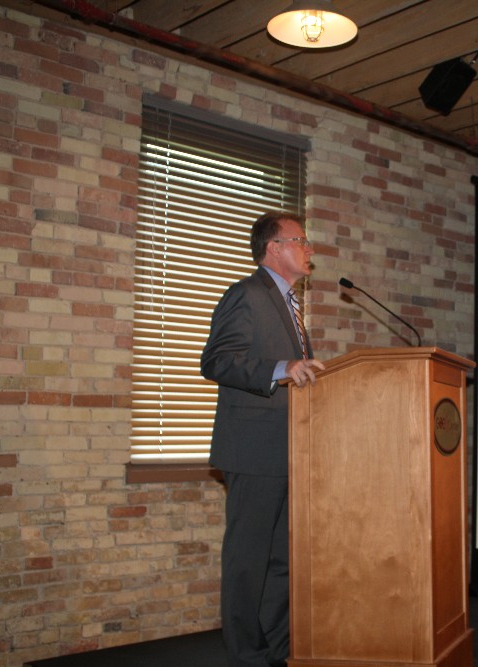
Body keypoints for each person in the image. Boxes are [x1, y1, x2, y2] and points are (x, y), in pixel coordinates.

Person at [201, 211, 325, 667]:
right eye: (301, 240)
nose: (310, 249)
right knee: (248, 560)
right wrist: (282, 369)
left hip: (288, 449)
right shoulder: (247, 295)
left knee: (279, 562)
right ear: (274, 248)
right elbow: (217, 360)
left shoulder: (289, 304)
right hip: (253, 450)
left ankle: (280, 649)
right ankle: (246, 654)